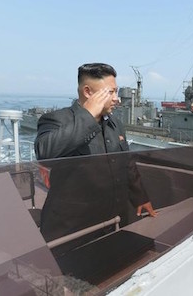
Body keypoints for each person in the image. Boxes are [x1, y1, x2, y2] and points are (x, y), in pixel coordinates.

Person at [34, 63, 156, 241]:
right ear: (88, 92)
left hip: (113, 223)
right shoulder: (56, 120)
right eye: (110, 92)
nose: (117, 99)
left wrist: (140, 198)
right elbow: (44, 152)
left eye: (117, 91)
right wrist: (88, 115)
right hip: (73, 231)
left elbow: (126, 164)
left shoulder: (115, 124)